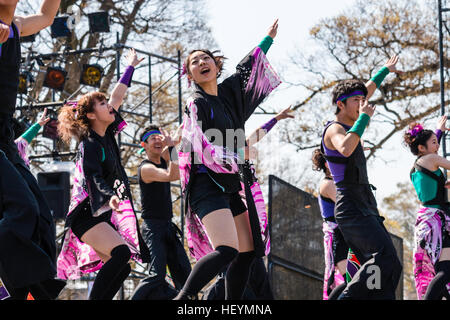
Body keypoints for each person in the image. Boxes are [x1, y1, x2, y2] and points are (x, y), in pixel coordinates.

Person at [174, 19, 282, 300]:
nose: (201, 62)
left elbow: (247, 70)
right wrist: (238, 153)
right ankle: (182, 298)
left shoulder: (228, 95)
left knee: (247, 253)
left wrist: (266, 40)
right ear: (191, 76)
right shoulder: (195, 103)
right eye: (194, 62)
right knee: (227, 250)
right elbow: (201, 143)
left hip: (230, 183)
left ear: (216, 65)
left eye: (205, 58)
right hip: (205, 184)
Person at [56, 49, 150, 300]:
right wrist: (109, 196)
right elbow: (92, 176)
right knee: (121, 254)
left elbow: (117, 95)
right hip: (86, 215)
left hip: (101, 214)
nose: (110, 106)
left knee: (123, 265)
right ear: (90, 115)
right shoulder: (89, 144)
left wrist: (130, 67)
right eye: (102, 104)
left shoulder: (107, 133)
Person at [321, 56, 403, 299]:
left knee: (388, 267)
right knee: (383, 256)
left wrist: (384, 71)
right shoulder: (334, 128)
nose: (361, 103)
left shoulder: (353, 108)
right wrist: (364, 118)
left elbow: (366, 89)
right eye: (356, 101)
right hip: (351, 207)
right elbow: (345, 148)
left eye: (362, 100)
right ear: (340, 104)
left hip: (365, 203)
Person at [0, 0, 65, 300]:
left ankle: (31, 293)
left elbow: (47, 15)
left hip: (4, 137)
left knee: (41, 215)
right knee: (22, 208)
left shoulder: (18, 25)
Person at [202, 106, 294, 300]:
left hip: (246, 218)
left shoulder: (239, 149)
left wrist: (276, 118)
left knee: (257, 273)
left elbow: (256, 135)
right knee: (231, 273)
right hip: (229, 218)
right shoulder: (223, 157)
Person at [130, 124, 192, 300]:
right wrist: (172, 146)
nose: (157, 140)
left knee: (186, 276)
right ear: (144, 145)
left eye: (159, 137)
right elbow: (172, 175)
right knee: (156, 275)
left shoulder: (164, 158)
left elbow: (178, 137)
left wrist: (188, 122)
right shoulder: (146, 168)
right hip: (153, 228)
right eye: (152, 138)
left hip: (168, 226)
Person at [403, 117, 450, 300]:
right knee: (444, 271)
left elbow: (429, 147)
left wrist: (438, 131)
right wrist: (437, 132)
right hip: (434, 222)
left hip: (431, 219)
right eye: (434, 142)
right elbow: (435, 155)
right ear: (422, 148)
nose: (437, 145)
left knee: (444, 270)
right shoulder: (430, 158)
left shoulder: (420, 163)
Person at [312, 148, 348, 300]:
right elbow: (347, 204)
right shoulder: (327, 184)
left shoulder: (337, 182)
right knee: (344, 279)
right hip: (336, 235)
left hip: (345, 233)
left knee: (351, 280)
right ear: (327, 164)